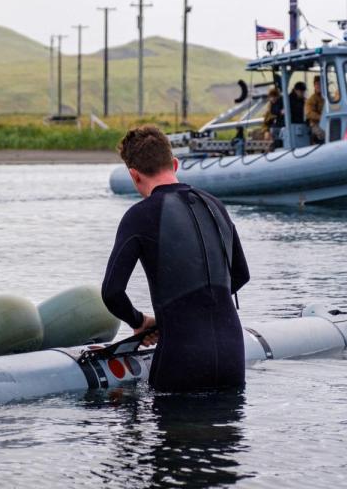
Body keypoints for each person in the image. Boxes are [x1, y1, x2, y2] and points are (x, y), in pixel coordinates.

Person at [101, 125, 250, 393]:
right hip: (232, 353)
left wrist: (140, 321)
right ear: (175, 164)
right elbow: (240, 275)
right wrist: (201, 305)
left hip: (182, 356)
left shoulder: (140, 216)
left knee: (176, 431)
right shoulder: (215, 205)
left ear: (134, 176)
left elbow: (112, 293)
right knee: (226, 432)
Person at [305, 75, 325, 144]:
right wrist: (321, 117)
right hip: (315, 124)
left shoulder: (327, 98)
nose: (318, 86)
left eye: (320, 84)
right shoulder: (311, 100)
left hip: (327, 123)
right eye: (317, 84)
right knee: (324, 134)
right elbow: (309, 113)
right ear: (314, 85)